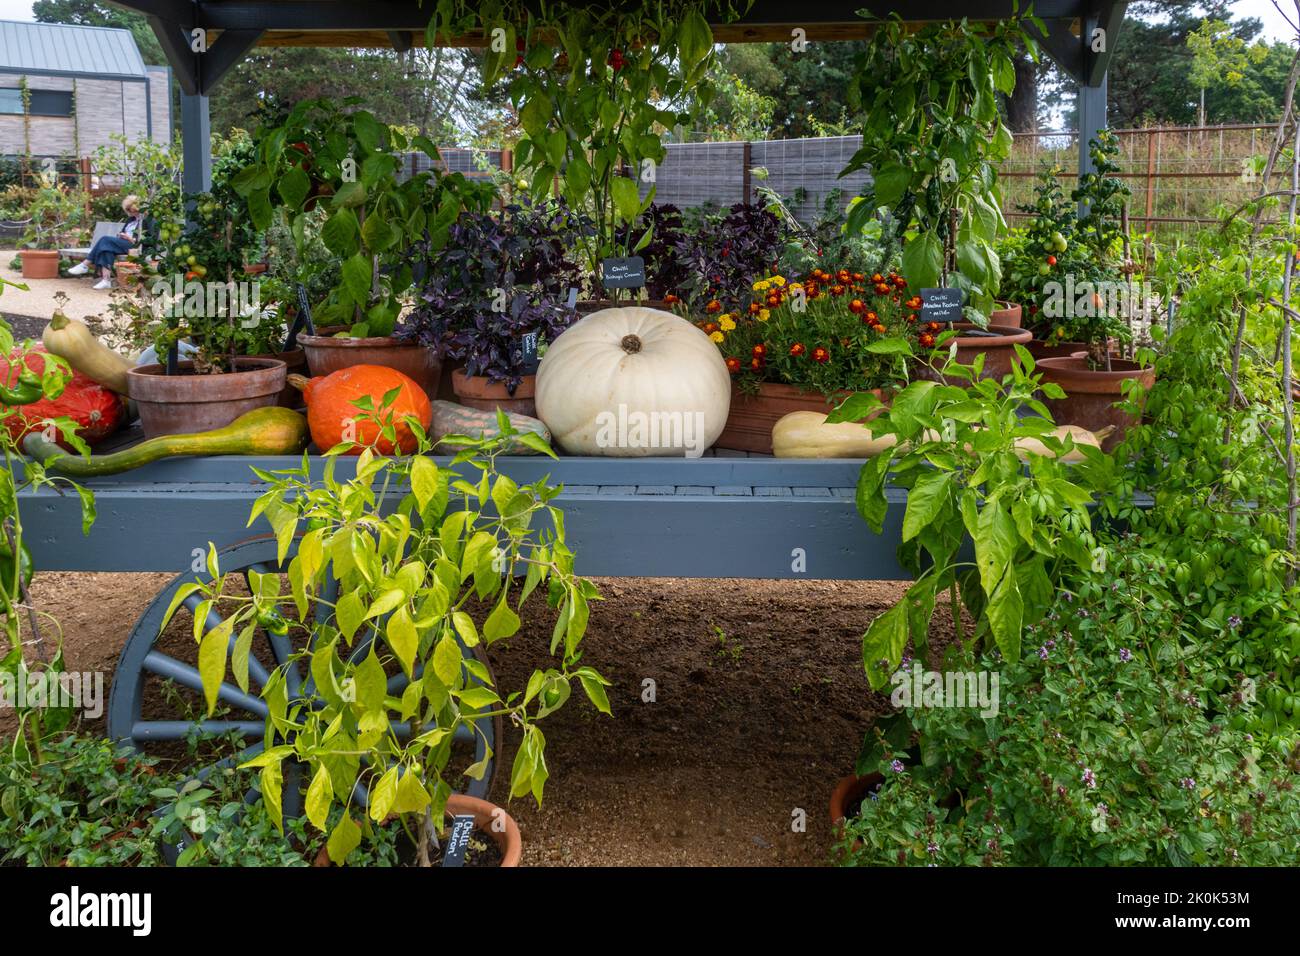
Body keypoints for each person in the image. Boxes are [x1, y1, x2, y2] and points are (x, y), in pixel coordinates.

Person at [67, 195, 145, 289]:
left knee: (105, 240)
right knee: (107, 250)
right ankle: (106, 280)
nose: (129, 212)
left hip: (136, 246)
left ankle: (85, 264)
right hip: (124, 244)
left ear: (136, 208)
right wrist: (121, 235)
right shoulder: (131, 220)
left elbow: (148, 239)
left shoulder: (147, 220)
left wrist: (130, 238)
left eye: (130, 209)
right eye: (127, 209)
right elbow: (122, 232)